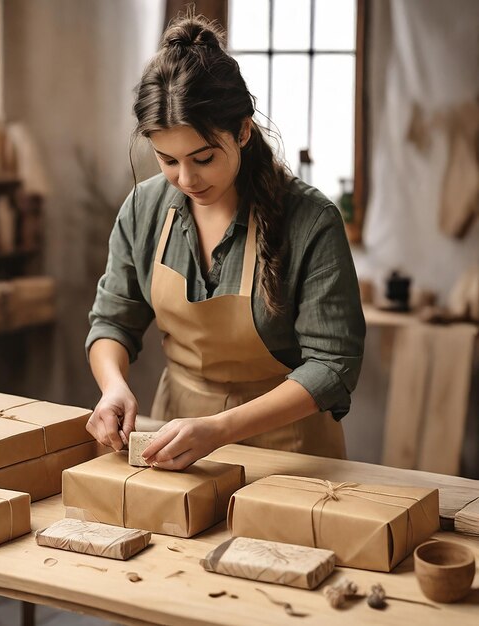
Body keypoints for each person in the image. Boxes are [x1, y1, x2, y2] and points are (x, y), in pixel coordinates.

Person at [85, 15, 365, 470]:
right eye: (168, 160)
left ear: (242, 131)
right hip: (175, 442)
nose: (186, 178)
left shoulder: (310, 220)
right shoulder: (145, 208)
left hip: (288, 449)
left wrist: (220, 428)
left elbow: (333, 366)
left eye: (203, 157)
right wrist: (113, 385)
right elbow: (112, 321)